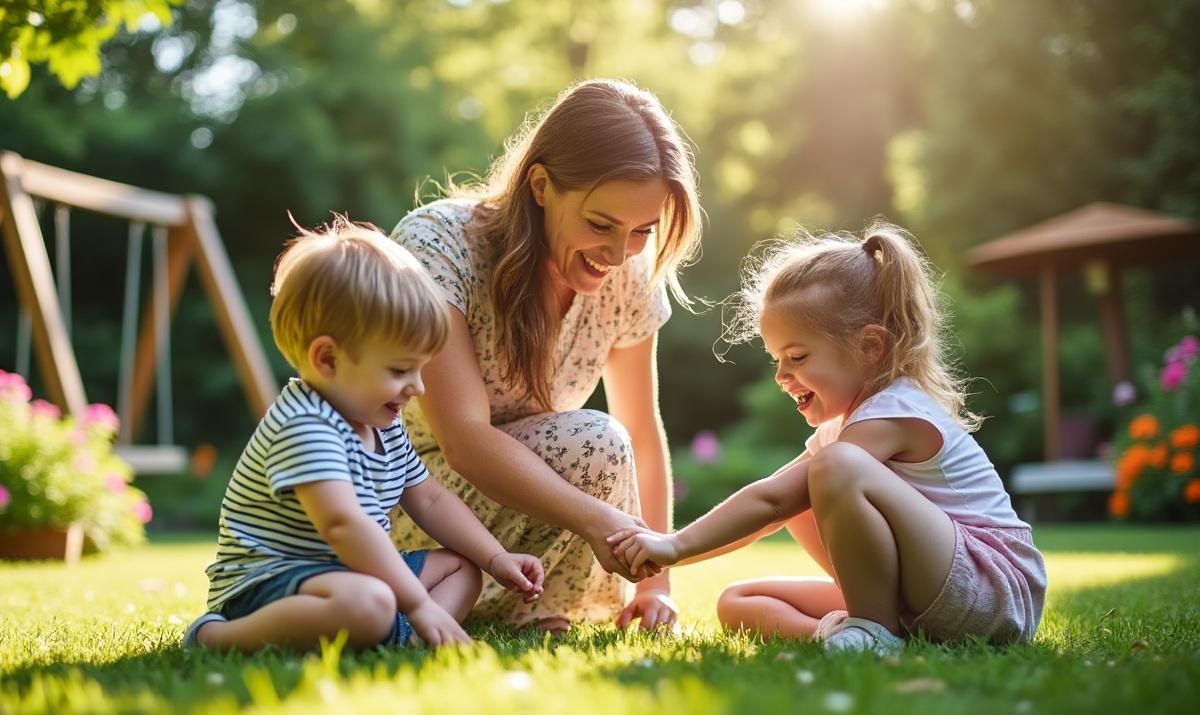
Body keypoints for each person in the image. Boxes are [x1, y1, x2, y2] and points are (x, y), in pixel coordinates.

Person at [609, 222, 1048, 653]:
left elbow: (774, 500)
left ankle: (871, 630)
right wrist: (668, 554)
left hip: (992, 590)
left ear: (870, 346)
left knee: (827, 471)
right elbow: (769, 509)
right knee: (739, 601)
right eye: (776, 359)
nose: (781, 376)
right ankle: (857, 634)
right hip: (930, 594)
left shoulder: (895, 410)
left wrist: (674, 544)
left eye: (797, 357)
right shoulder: (841, 434)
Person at [387, 79, 702, 631]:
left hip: (526, 519)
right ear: (539, 185)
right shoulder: (439, 246)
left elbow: (641, 429)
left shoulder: (629, 274)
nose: (619, 253)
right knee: (593, 442)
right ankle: (472, 599)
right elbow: (464, 440)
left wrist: (657, 582)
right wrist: (599, 521)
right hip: (418, 502)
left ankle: (541, 613)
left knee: (606, 443)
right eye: (600, 224)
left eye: (642, 231)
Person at [184, 219, 544, 653]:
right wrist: (417, 603)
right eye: (400, 370)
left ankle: (408, 640)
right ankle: (217, 637)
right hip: (271, 582)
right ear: (328, 359)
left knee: (463, 570)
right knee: (370, 603)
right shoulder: (305, 424)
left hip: (350, 576)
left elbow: (430, 499)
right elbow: (343, 525)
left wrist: (495, 557)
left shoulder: (383, 424)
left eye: (420, 368)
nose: (418, 387)